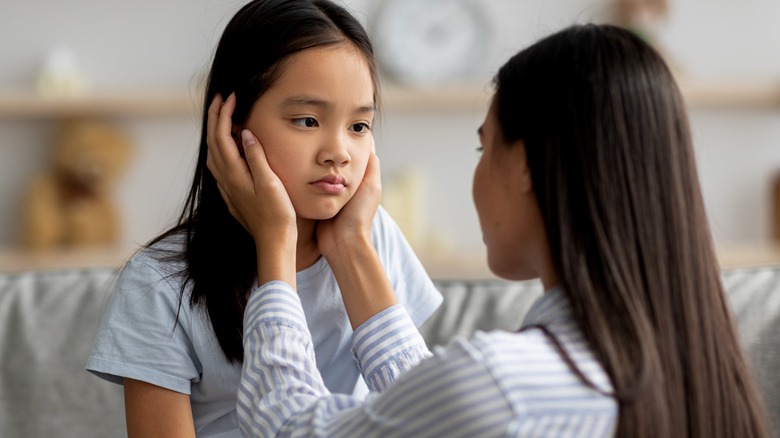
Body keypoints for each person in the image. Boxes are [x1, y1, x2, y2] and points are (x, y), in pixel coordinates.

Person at [207, 24, 773, 437]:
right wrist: (351, 246)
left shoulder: (503, 383)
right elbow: (429, 413)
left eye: (485, 146)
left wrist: (274, 248)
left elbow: (289, 427)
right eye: (308, 120)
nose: (340, 149)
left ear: (525, 164)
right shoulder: (700, 373)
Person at [85, 0, 443, 436]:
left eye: (359, 126)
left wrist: (353, 247)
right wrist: (276, 239)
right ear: (233, 128)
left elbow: (426, 417)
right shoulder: (159, 282)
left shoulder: (373, 237)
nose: (339, 152)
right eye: (308, 120)